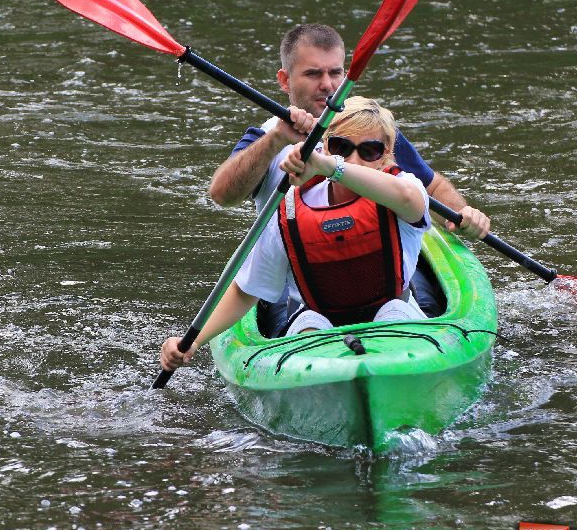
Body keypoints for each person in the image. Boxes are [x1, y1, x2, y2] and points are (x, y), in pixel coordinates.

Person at [207, 24, 489, 332]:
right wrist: (276, 140)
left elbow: (430, 186)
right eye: (313, 74)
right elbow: (222, 196)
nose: (327, 85)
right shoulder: (266, 136)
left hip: (379, 275)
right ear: (285, 81)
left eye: (335, 73)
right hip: (298, 289)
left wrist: (461, 215)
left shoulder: (368, 131)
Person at [162, 98, 430, 371]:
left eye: (369, 151)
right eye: (341, 147)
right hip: (318, 319)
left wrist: (329, 167)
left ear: (385, 155)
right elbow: (247, 291)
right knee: (308, 326)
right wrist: (192, 341)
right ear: (325, 147)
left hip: (393, 310)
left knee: (392, 318)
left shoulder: (406, 188)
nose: (353, 159)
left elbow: (409, 199)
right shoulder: (289, 209)